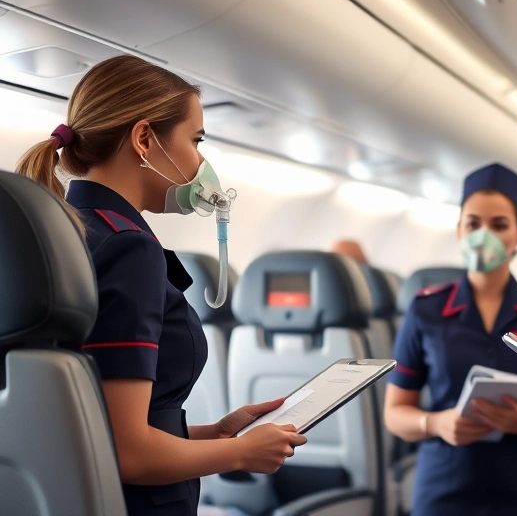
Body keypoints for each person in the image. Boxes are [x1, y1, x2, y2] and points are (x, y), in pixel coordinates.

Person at [16, 55, 307, 516]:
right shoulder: (129, 249)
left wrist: (219, 432)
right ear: (145, 139)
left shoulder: (60, 231)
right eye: (196, 140)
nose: (201, 160)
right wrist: (240, 454)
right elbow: (130, 452)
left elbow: (96, 424)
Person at [383, 163, 517, 516]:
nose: (484, 235)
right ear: (458, 230)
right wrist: (435, 423)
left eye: (499, 225)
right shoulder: (425, 310)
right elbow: (395, 413)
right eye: (473, 223)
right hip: (444, 488)